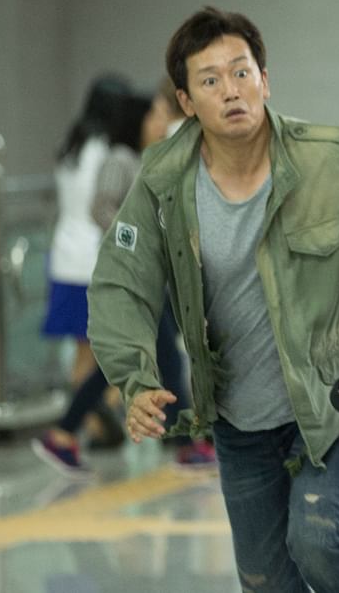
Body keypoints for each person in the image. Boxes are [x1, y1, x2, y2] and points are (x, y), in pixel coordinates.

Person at [88, 8, 339, 592]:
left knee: (318, 541)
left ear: (265, 80)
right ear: (186, 102)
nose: (230, 90)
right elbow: (121, 281)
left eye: (242, 72)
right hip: (238, 422)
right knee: (265, 581)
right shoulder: (163, 180)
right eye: (210, 80)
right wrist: (135, 379)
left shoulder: (329, 158)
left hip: (331, 404)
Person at [34, 87, 216, 476]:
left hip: (148, 278)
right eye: (155, 115)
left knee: (133, 362)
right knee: (163, 359)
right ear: (138, 121)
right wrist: (136, 239)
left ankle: (64, 433)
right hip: (132, 279)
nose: (162, 122)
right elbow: (101, 208)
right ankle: (185, 444)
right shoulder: (119, 159)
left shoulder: (144, 159)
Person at [34, 77, 136, 474]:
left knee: (85, 351)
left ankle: (90, 425)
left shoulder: (70, 145)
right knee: (103, 352)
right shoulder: (106, 151)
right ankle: (81, 428)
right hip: (93, 258)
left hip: (65, 255)